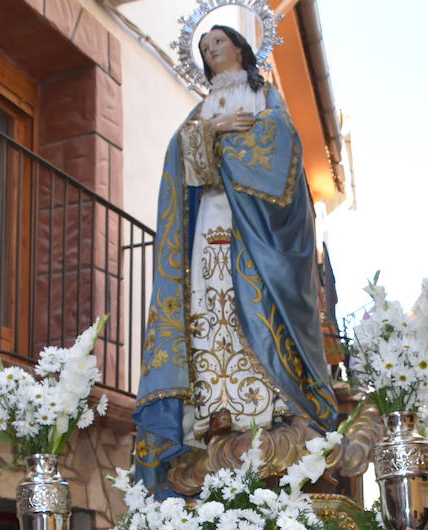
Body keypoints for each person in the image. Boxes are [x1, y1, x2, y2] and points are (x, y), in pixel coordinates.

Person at [134, 23, 338, 494]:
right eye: (205, 48)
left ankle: (266, 407)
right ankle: (213, 410)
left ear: (240, 48)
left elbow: (281, 146)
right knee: (209, 306)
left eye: (218, 42)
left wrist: (218, 142)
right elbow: (183, 156)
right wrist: (216, 131)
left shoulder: (265, 98)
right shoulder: (201, 110)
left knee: (252, 309)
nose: (212, 51)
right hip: (210, 224)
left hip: (254, 235)